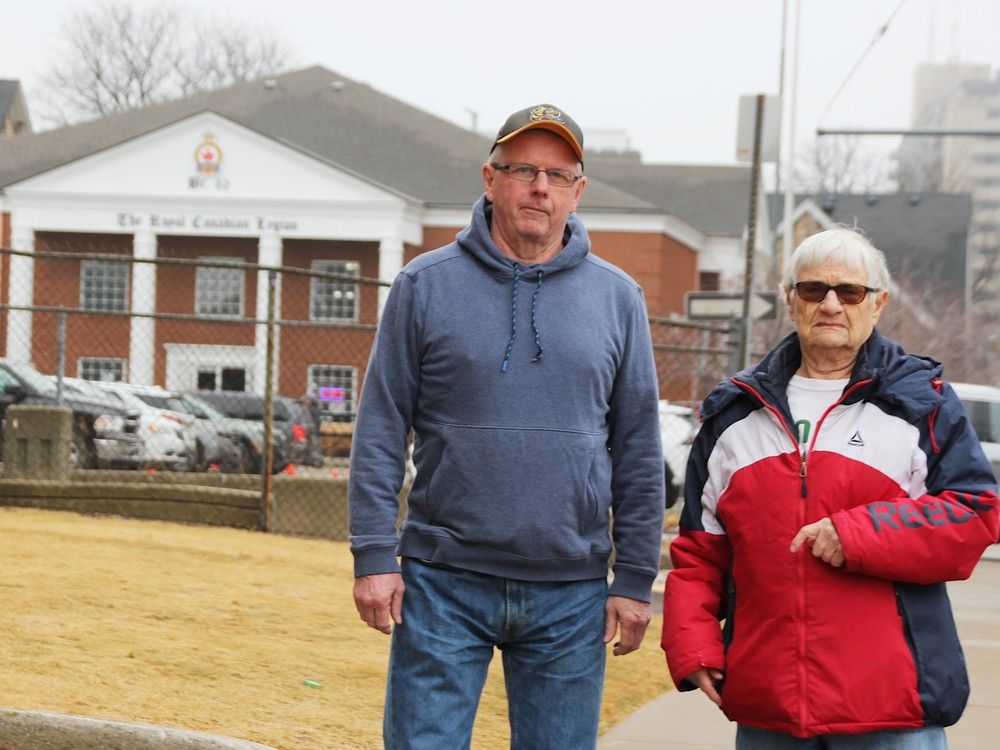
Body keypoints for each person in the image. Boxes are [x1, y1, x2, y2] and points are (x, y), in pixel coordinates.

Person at [348, 104, 664, 749]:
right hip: (442, 583)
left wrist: (634, 578)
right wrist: (374, 555)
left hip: (571, 592)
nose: (539, 187)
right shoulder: (424, 286)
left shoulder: (618, 298)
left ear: (578, 191)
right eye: (523, 169)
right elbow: (381, 425)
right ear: (490, 179)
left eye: (557, 174)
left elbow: (637, 446)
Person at [661, 228, 999, 748]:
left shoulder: (922, 402)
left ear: (878, 303)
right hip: (769, 707)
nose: (832, 304)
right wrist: (693, 646)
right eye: (814, 289)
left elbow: (976, 515)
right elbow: (699, 552)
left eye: (851, 291)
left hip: (891, 706)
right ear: (790, 300)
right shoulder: (733, 413)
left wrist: (858, 535)